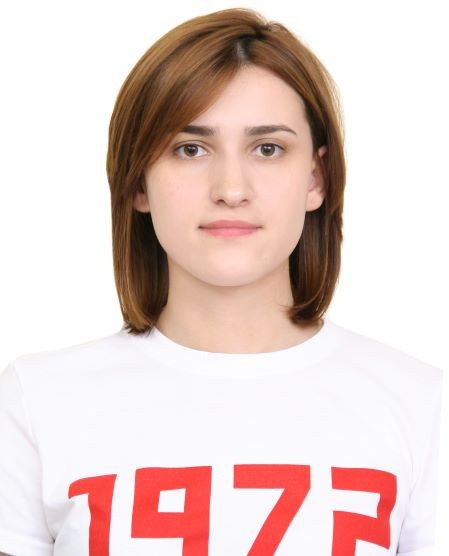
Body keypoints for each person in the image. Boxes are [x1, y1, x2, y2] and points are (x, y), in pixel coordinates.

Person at [0, 7, 443, 555]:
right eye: (190, 149)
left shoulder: (423, 406)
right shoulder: (36, 401)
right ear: (138, 182)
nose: (231, 189)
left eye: (268, 148)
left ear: (316, 178)